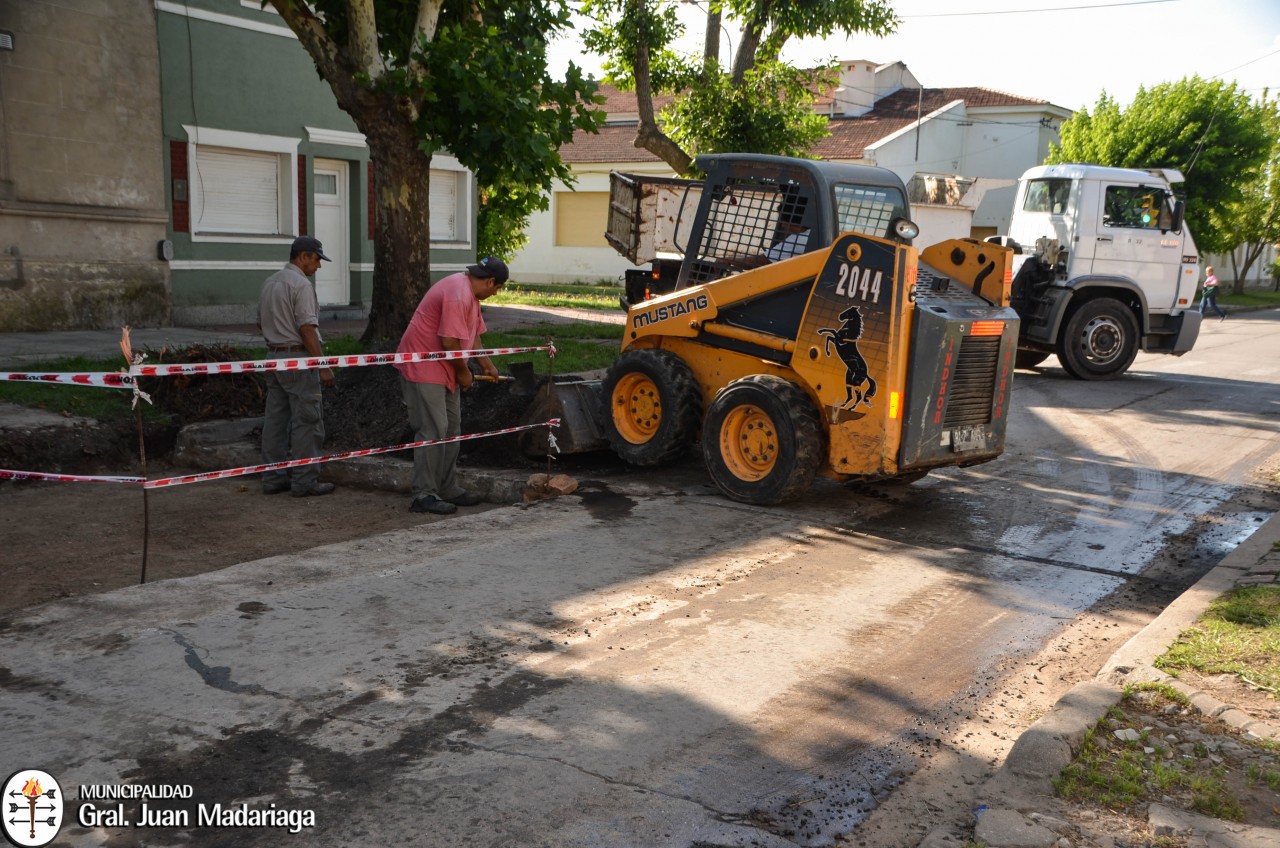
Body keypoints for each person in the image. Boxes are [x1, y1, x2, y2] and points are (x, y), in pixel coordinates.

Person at [395, 257, 508, 515]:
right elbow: (448, 342)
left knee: (452, 428)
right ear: (490, 281)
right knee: (432, 429)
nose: (496, 293)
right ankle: (423, 495)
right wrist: (464, 372)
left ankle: (445, 487)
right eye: (497, 288)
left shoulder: (471, 295)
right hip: (424, 366)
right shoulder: (458, 293)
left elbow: (473, 334)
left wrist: (486, 364)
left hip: (445, 367)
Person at [258, 236, 337, 497]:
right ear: (303, 256)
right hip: (298, 359)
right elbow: (307, 328)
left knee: (276, 421)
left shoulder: (270, 283)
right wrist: (322, 364)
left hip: (274, 357)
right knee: (307, 420)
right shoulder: (300, 285)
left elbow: (260, 323)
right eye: (316, 260)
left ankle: (273, 478)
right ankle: (304, 481)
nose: (318, 266)